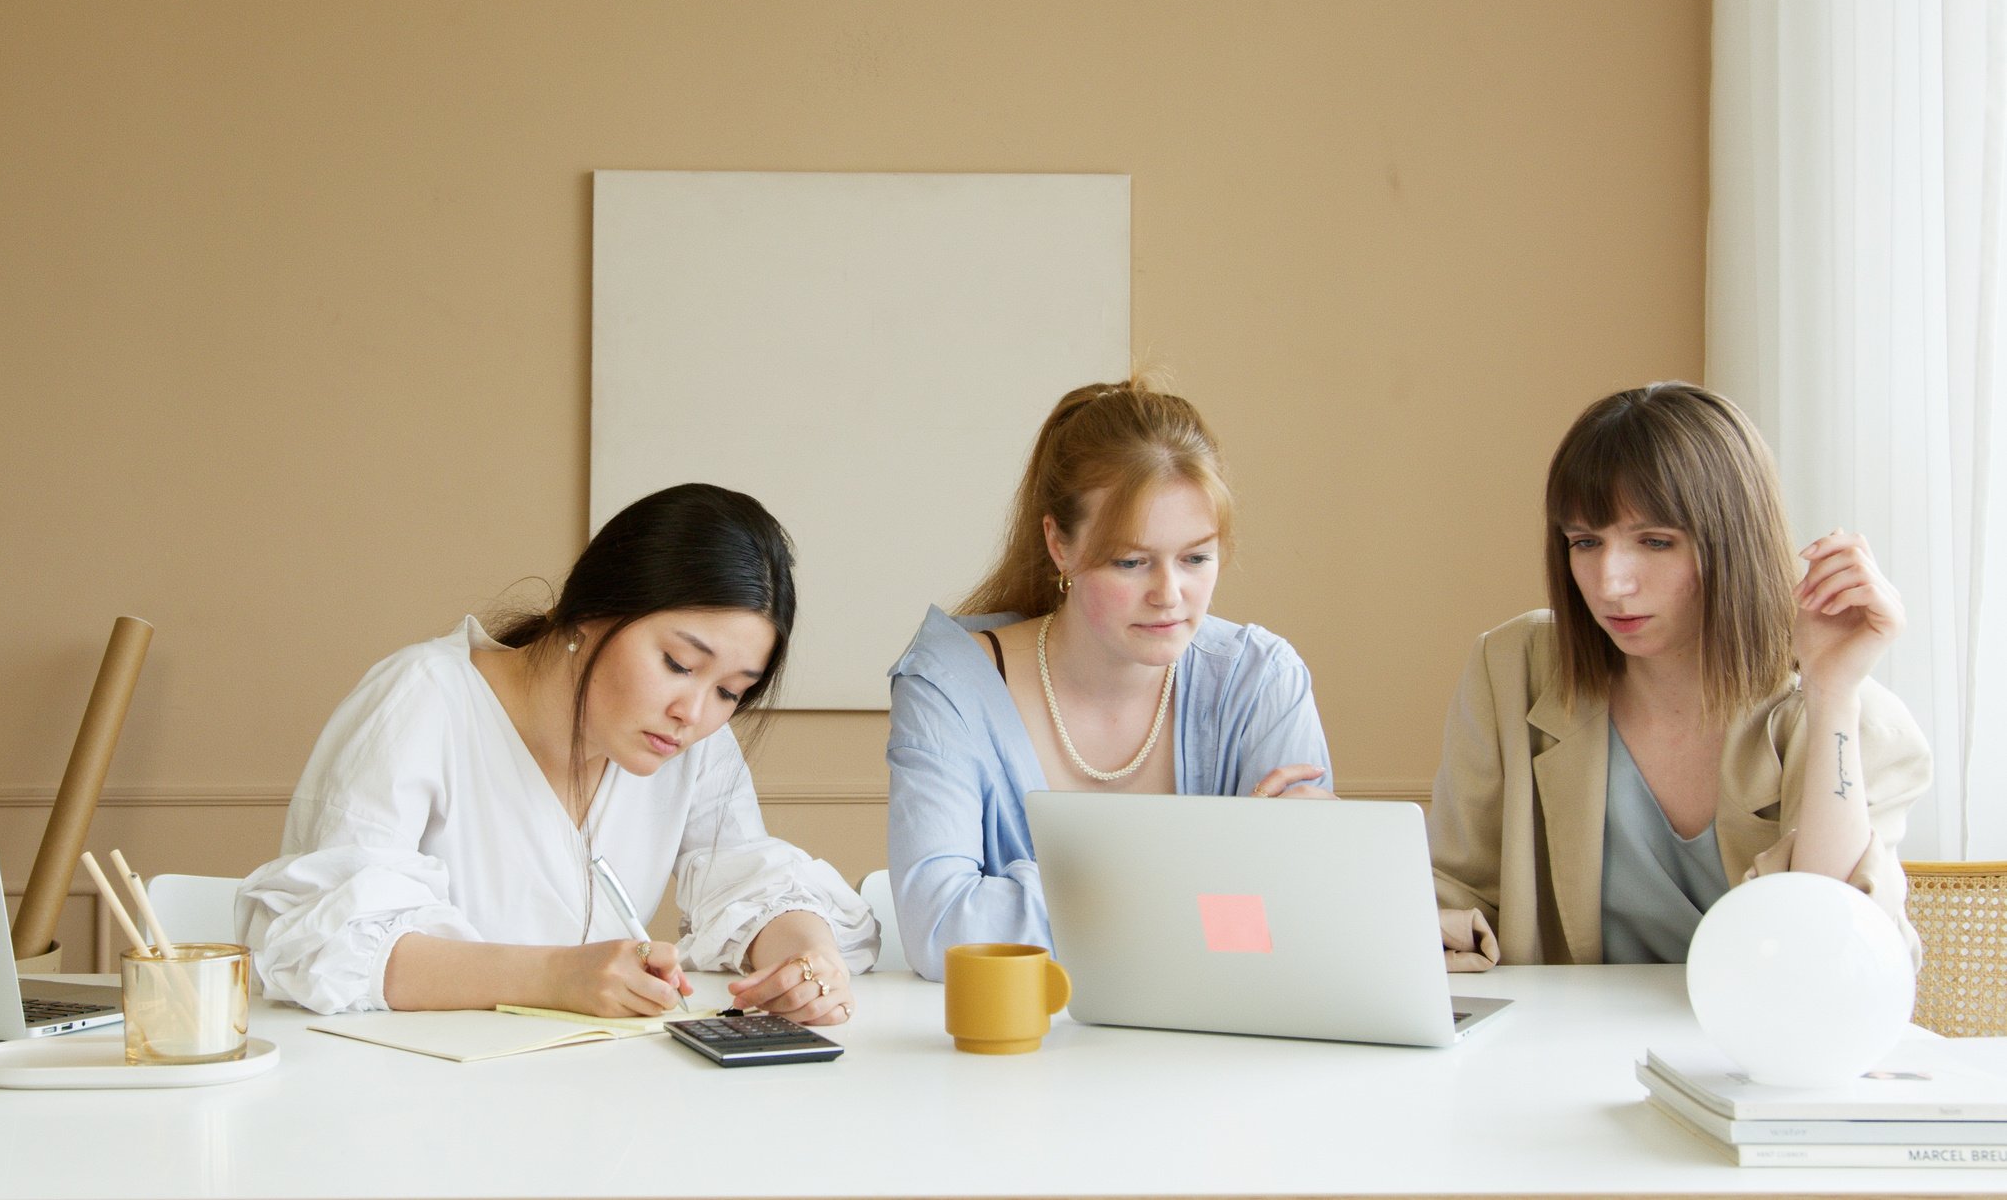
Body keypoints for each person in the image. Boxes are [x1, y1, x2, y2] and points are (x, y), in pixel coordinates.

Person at [239, 483, 878, 1021]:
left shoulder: (690, 743)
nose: (695, 713)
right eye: (678, 663)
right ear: (590, 613)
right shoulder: (422, 700)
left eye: (731, 692)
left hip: (586, 1104)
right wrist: (555, 978)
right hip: (413, 1102)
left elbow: (751, 878)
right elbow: (323, 944)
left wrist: (807, 960)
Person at [1428, 382, 1934, 969]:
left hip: (1757, 1048)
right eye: (1585, 541)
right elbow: (1457, 899)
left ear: (1733, 542)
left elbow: (1833, 943)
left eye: (1656, 542)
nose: (1611, 583)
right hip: (1560, 1047)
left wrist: (1832, 692)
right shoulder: (1513, 667)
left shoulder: (1852, 715)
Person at [886, 378, 1336, 981]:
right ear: (1059, 545)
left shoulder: (1260, 679)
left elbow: (1303, 920)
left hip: (1226, 1052)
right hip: (1021, 1060)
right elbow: (942, 931)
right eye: (1131, 561)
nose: (1170, 596)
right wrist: (1218, 868)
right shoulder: (949, 685)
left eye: (1196, 558)